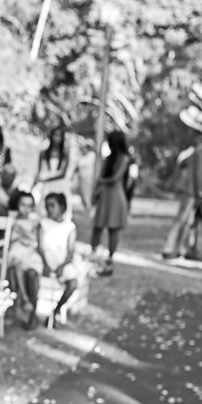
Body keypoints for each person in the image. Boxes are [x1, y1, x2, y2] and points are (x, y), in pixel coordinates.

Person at [162, 139, 202, 260]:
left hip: (199, 192)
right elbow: (199, 173)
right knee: (184, 219)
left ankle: (182, 249)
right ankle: (171, 248)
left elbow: (183, 163)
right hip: (195, 192)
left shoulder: (194, 150)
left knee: (190, 222)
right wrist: (199, 193)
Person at [37, 192, 83, 325]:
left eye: (52, 206)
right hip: (44, 259)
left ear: (62, 207)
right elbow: (40, 247)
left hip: (61, 262)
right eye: (47, 206)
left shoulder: (70, 227)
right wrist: (45, 264)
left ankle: (55, 311)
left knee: (73, 283)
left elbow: (70, 252)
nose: (49, 209)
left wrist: (61, 267)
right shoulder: (43, 224)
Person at [89, 131, 130, 275]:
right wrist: (96, 191)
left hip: (115, 196)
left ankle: (110, 258)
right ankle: (93, 253)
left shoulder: (124, 159)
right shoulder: (108, 159)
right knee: (98, 226)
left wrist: (101, 181)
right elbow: (102, 176)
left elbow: (115, 178)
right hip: (105, 195)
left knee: (113, 228)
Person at [5, 191, 43, 325]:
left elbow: (37, 241)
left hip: (30, 254)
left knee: (31, 273)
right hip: (15, 252)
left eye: (29, 205)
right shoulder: (11, 219)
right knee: (15, 266)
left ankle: (28, 308)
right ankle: (24, 299)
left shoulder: (35, 221)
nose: (25, 209)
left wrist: (23, 232)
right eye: (22, 205)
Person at [33, 124, 70, 203]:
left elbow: (63, 174)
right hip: (46, 187)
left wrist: (45, 179)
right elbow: (39, 171)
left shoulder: (65, 155)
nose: (57, 138)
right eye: (55, 135)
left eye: (59, 136)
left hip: (59, 186)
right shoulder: (43, 153)